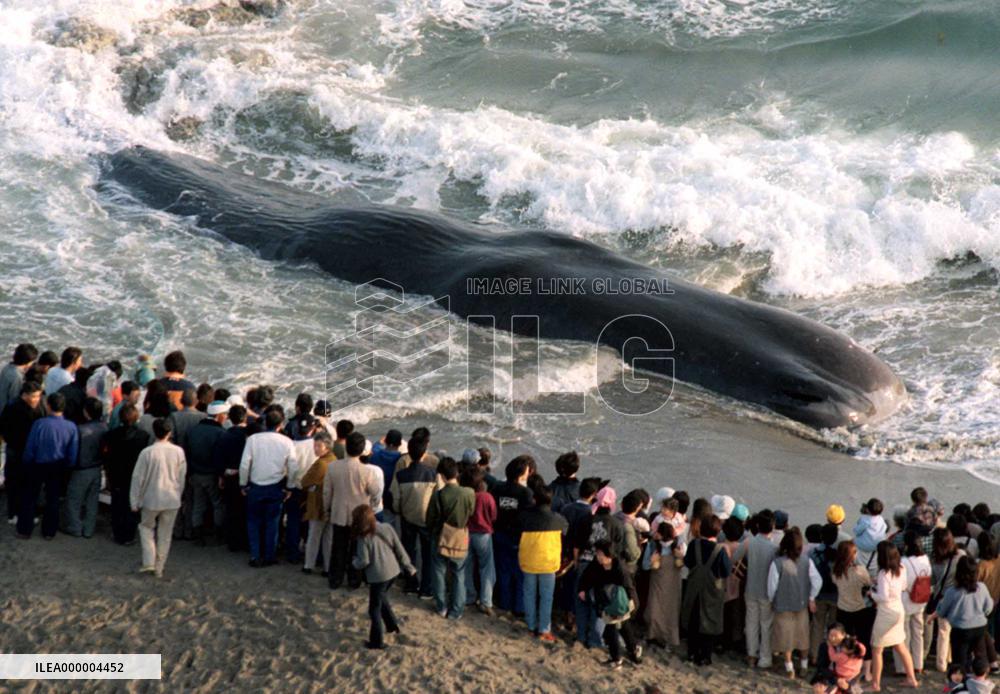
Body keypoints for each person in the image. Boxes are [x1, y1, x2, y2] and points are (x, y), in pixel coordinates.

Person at [351, 504, 416, 650]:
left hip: (378, 575)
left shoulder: (363, 538)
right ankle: (392, 625)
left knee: (374, 608)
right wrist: (409, 567)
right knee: (382, 597)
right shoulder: (386, 527)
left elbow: (364, 561)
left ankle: (377, 641)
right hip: (393, 571)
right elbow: (399, 549)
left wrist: (354, 563)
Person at [129, 418, 186, 577]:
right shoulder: (178, 452)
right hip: (171, 498)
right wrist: (179, 495)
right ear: (169, 433)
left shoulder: (147, 452)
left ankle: (149, 561)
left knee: (146, 528)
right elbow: (181, 477)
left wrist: (134, 500)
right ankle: (159, 567)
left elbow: (137, 478)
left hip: (151, 498)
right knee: (165, 535)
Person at [18, 392, 78, 539]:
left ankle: (25, 530)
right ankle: (49, 532)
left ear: (48, 406)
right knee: (53, 499)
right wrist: (68, 466)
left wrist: (27, 463)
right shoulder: (71, 427)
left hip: (38, 464)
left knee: (30, 497)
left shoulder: (39, 424)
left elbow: (30, 448)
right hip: (58, 466)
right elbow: (72, 452)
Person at [324, 431, 380, 589]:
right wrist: (373, 509)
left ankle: (335, 579)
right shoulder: (368, 471)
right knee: (357, 550)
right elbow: (376, 493)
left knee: (338, 548)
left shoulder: (333, 467)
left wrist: (327, 509)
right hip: (360, 516)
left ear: (346, 448)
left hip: (339, 512)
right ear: (362, 450)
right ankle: (354, 580)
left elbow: (327, 492)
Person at [239, 408, 293, 568]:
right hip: (275, 486)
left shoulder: (253, 440)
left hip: (255, 486)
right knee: (272, 522)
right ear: (280, 424)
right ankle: (270, 555)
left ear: (264, 422)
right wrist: (289, 486)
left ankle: (255, 555)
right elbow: (293, 467)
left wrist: (243, 483)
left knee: (253, 521)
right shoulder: (286, 441)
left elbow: (244, 465)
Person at [578, 540, 643, 670]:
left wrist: (634, 605)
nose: (598, 556)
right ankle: (633, 650)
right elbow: (586, 577)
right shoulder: (596, 564)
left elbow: (629, 588)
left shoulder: (620, 568)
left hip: (620, 602)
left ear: (609, 555)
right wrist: (582, 589)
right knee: (619, 626)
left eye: (600, 554)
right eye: (597, 553)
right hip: (605, 600)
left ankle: (618, 658)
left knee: (614, 627)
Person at [768, 527, 822, 678]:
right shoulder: (807, 561)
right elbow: (817, 581)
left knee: (787, 638)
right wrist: (811, 597)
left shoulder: (777, 563)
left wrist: (772, 600)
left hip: (783, 606)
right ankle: (804, 665)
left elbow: (772, 586)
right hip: (801, 605)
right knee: (802, 636)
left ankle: (789, 667)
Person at [426, 457, 475, 619]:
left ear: (441, 475)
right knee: (459, 574)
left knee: (439, 573)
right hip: (460, 537)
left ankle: (441, 607)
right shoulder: (469, 493)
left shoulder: (438, 495)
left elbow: (430, 519)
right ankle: (456, 610)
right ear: (457, 472)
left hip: (440, 536)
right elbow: (471, 512)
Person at [388, 434, 437, 597]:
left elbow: (395, 498)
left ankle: (411, 584)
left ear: (408, 452)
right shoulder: (432, 474)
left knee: (409, 552)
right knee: (428, 554)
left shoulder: (401, 475)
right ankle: (426, 589)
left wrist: (399, 511)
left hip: (407, 518)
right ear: (424, 454)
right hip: (426, 520)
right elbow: (438, 498)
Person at [517, 485, 568, 640]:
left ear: (534, 499)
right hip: (548, 562)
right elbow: (566, 531)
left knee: (529, 594)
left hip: (529, 560)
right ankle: (544, 629)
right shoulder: (558, 519)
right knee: (546, 597)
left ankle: (531, 626)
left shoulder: (524, 517)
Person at [683, 514, 732, 666]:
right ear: (717, 532)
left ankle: (691, 652)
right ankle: (705, 656)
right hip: (712, 591)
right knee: (710, 622)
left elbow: (688, 562)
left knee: (693, 619)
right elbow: (726, 571)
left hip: (694, 587)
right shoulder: (720, 550)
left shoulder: (694, 544)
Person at [868, 541, 919, 690]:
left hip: (886, 612)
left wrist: (872, 594)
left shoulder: (884, 573)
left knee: (877, 649)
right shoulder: (901, 568)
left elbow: (883, 597)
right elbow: (903, 586)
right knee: (901, 646)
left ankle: (875, 684)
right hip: (899, 608)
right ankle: (912, 679)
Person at [933, 556, 994, 674]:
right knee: (980, 659)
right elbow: (988, 607)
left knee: (959, 663)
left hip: (960, 630)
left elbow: (942, 612)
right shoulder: (982, 587)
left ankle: (961, 685)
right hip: (979, 628)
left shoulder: (952, 591)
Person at [491, 455, 535, 615]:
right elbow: (529, 516)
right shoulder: (526, 493)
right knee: (519, 573)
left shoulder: (497, 488)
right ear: (521, 474)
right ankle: (519, 607)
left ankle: (504, 602)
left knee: (503, 570)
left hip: (499, 533)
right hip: (517, 537)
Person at [736, 508, 779, 669]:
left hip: (750, 589)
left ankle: (751, 655)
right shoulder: (774, 549)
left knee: (751, 622)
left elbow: (734, 558)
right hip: (767, 592)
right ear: (772, 527)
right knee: (766, 625)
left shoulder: (749, 542)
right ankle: (765, 658)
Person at [103, 404, 151, 544]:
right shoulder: (143, 436)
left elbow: (108, 457)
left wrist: (108, 474)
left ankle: (118, 534)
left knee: (117, 504)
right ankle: (130, 534)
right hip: (135, 475)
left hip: (117, 474)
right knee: (132, 505)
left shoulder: (111, 435)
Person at [0, 381, 46, 525]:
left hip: (27, 450)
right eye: (34, 397)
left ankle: (23, 512)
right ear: (24, 395)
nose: (36, 400)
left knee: (27, 484)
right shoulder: (14, 408)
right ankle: (15, 512)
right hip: (17, 449)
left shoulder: (35, 406)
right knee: (15, 483)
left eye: (38, 396)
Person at [185, 400, 228, 545]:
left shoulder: (193, 430)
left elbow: (187, 452)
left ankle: (198, 536)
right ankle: (218, 535)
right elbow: (220, 458)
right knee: (217, 504)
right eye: (225, 414)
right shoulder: (220, 433)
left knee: (198, 504)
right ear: (219, 416)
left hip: (195, 473)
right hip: (211, 475)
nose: (226, 417)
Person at [63, 397, 107, 538]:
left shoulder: (80, 430)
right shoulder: (104, 427)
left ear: (86, 412)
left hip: (81, 469)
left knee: (73, 500)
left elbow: (73, 451)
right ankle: (89, 529)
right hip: (97, 468)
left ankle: (75, 527)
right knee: (92, 501)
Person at [831, 540, 875, 680]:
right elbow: (868, 582)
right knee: (864, 639)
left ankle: (844, 667)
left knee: (844, 640)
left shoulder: (835, 571)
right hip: (859, 608)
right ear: (852, 555)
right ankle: (867, 672)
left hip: (843, 607)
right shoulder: (859, 571)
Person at [893, 529, 932, 676]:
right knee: (918, 633)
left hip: (906, 600)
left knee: (904, 634)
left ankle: (903, 666)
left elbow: (901, 583)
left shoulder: (903, 562)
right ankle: (918, 664)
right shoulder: (925, 559)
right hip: (921, 600)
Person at [929, 528, 967, 672]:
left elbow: (932, 580)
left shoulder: (934, 559)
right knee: (954, 630)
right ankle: (949, 658)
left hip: (942, 597)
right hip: (958, 597)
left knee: (943, 632)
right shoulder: (961, 555)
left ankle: (941, 663)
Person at [643, 520, 684, 649]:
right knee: (656, 610)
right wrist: (652, 561)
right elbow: (646, 565)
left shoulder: (678, 546)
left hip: (668, 584)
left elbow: (644, 566)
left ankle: (661, 638)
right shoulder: (654, 546)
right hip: (662, 583)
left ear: (661, 534)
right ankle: (654, 636)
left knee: (666, 611)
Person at [463, 466, 497, 616]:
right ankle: (486, 601)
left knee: (467, 567)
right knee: (486, 568)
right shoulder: (486, 497)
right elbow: (494, 516)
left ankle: (469, 596)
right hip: (483, 534)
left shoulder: (465, 495)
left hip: (466, 533)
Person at [214, 404, 249, 551]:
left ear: (230, 418)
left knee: (231, 509)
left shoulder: (224, 435)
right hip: (244, 476)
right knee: (244, 509)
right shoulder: (248, 436)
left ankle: (232, 542)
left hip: (228, 475)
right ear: (245, 417)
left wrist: (221, 476)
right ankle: (244, 541)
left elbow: (219, 458)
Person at [283, 413, 317, 562]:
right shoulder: (317, 445)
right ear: (312, 428)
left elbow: (286, 469)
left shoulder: (290, 445)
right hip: (311, 489)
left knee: (293, 521)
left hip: (294, 487)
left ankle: (292, 553)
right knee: (310, 521)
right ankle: (310, 553)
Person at [301, 431, 335, 574]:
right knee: (328, 538)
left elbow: (305, 481)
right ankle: (327, 568)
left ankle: (309, 565)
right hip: (332, 503)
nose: (315, 448)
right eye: (315, 445)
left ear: (326, 447)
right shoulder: (334, 459)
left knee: (314, 536)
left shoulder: (320, 463)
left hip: (318, 503)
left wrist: (311, 486)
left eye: (318, 446)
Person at [810, 524, 841, 663]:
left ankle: (814, 656)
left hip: (819, 594)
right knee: (833, 627)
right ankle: (831, 656)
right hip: (835, 595)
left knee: (817, 626)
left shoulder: (814, 552)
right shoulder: (838, 554)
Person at [811, 623, 866, 694]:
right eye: (830, 635)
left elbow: (858, 668)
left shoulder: (851, 647)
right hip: (831, 676)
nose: (833, 638)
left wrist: (847, 686)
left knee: (852, 690)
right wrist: (836, 679)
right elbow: (821, 667)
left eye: (835, 636)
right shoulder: (825, 646)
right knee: (818, 689)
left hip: (850, 678)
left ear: (844, 635)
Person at [369, 429, 403, 529]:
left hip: (377, 498)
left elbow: (375, 447)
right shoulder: (401, 460)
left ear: (387, 442)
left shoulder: (375, 455)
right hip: (392, 500)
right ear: (399, 444)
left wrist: (379, 442)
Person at [0, 343, 38, 415]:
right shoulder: (17, 377)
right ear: (27, 362)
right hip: (5, 412)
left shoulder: (7, 367)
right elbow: (14, 398)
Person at [854, 499, 888, 566]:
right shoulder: (881, 520)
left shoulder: (864, 520)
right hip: (877, 547)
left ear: (867, 509)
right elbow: (884, 529)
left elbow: (856, 531)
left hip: (863, 546)